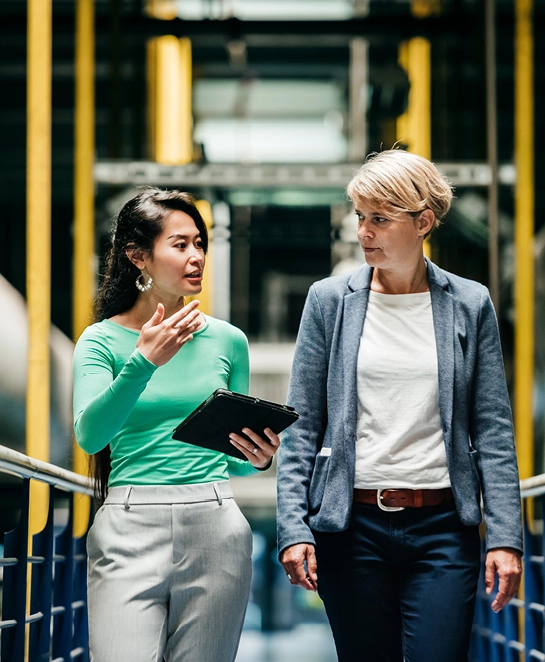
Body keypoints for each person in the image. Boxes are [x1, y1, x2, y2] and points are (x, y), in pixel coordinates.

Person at [276, 149, 523, 662]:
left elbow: (493, 428)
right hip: (353, 529)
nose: (364, 231)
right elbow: (303, 425)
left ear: (423, 222)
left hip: (444, 528)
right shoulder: (329, 301)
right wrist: (293, 528)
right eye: (361, 217)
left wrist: (505, 537)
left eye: (381, 220)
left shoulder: (469, 303)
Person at [73, 188, 280, 662]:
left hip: (215, 523)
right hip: (128, 524)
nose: (197, 257)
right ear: (138, 256)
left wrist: (258, 457)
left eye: (200, 243)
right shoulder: (100, 340)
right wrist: (143, 361)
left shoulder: (229, 341)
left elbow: (240, 468)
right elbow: (90, 435)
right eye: (180, 244)